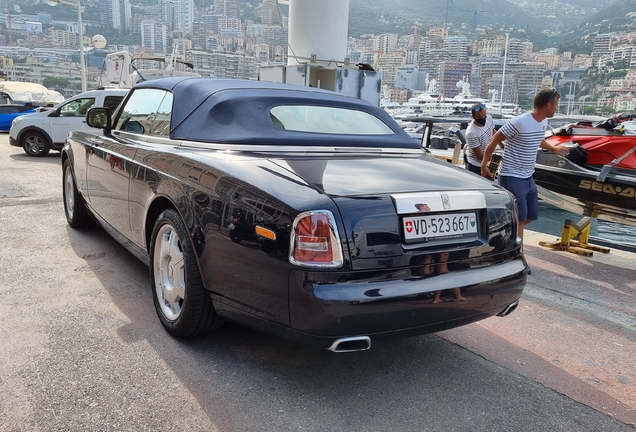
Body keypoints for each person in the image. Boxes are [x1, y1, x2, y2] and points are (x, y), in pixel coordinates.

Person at [480, 87, 569, 241]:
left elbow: (538, 139)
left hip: (528, 176)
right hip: (511, 175)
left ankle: (501, 235)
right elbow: (494, 139)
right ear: (548, 105)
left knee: (530, 216)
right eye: (556, 105)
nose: (556, 108)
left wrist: (553, 148)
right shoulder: (519, 122)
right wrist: (484, 165)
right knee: (519, 219)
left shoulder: (543, 122)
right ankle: (517, 253)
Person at [465, 103, 496, 174]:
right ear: (473, 116)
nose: (483, 118)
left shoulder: (489, 118)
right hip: (475, 165)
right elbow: (480, 156)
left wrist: (502, 145)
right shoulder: (471, 132)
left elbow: (494, 132)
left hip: (487, 159)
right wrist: (494, 160)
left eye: (484, 115)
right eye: (479, 117)